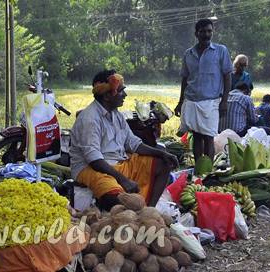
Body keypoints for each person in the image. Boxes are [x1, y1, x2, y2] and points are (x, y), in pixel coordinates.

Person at [69, 70, 178, 211]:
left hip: (118, 164)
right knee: (118, 198)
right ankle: (136, 212)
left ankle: (148, 211)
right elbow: (94, 160)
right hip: (91, 169)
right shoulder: (89, 118)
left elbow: (133, 143)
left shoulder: (117, 115)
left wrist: (162, 153)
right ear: (107, 96)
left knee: (164, 164)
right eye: (121, 91)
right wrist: (123, 180)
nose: (125, 95)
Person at [175, 19, 233, 162]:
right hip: (192, 101)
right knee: (196, 136)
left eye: (209, 31)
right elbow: (185, 79)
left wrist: (224, 101)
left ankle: (208, 170)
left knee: (208, 137)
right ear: (196, 34)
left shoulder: (221, 51)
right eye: (203, 31)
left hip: (211, 102)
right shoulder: (189, 54)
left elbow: (227, 77)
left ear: (212, 32)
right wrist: (180, 102)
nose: (206, 34)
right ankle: (198, 168)